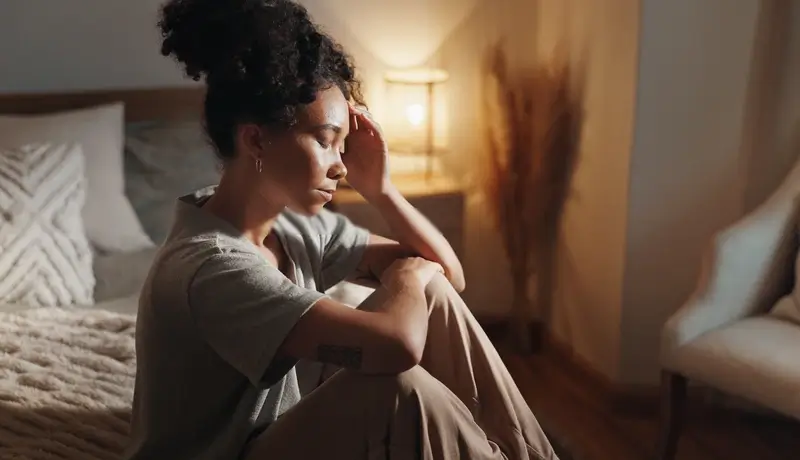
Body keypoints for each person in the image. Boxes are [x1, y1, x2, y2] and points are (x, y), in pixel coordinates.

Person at [123, 0, 560, 459]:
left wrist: (382, 190)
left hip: (271, 437)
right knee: (397, 389)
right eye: (326, 141)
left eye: (342, 146)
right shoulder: (213, 268)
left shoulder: (289, 228)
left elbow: (448, 276)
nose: (341, 166)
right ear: (255, 140)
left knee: (431, 294)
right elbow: (397, 347)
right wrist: (406, 280)